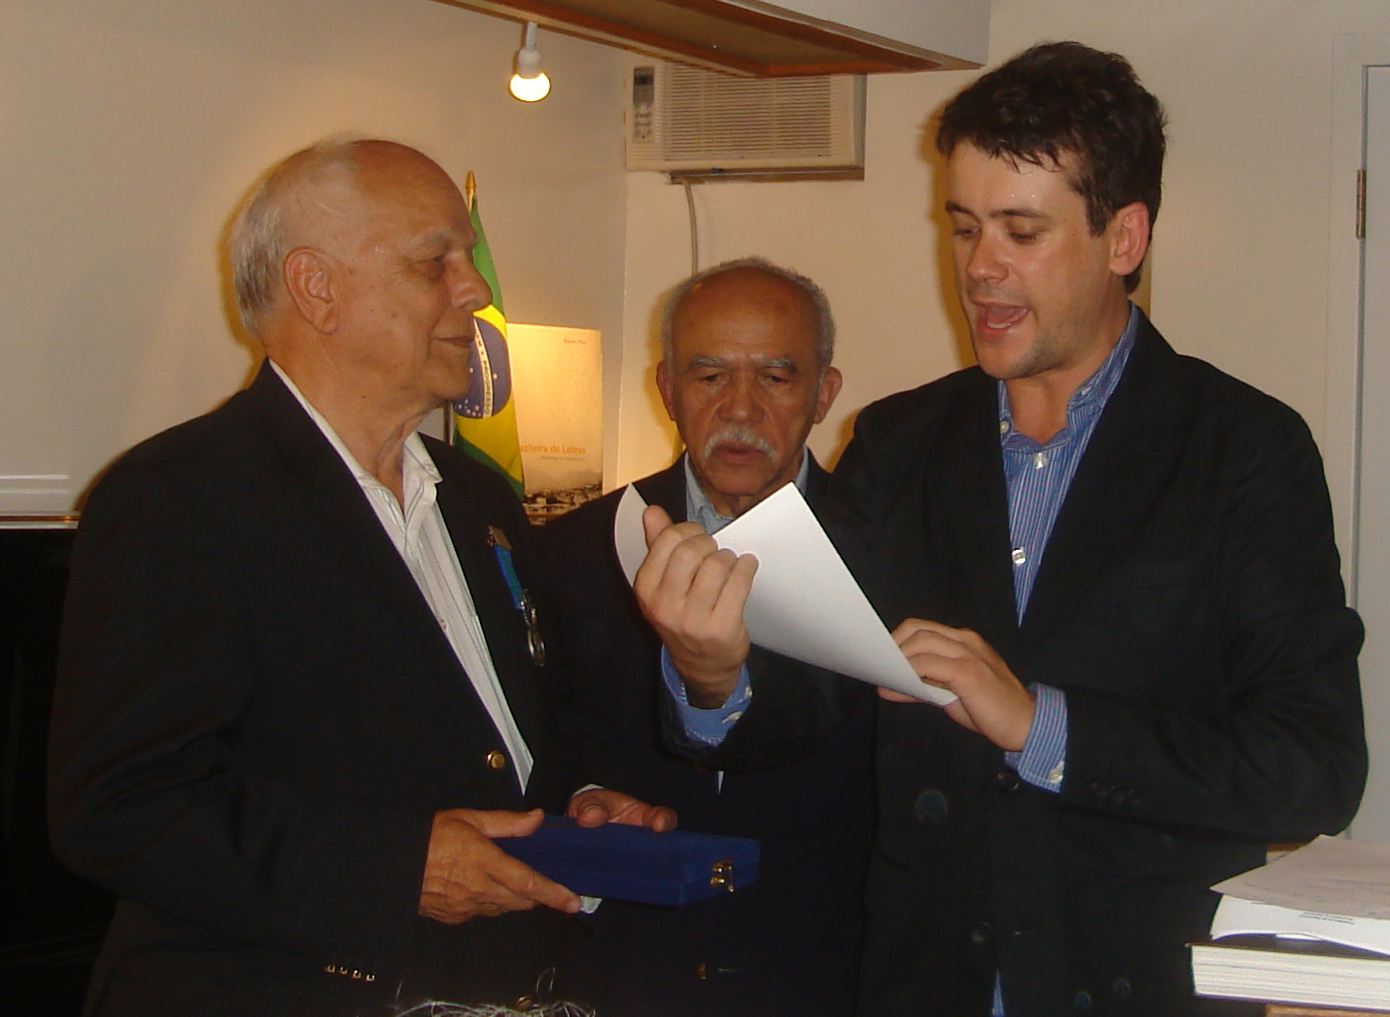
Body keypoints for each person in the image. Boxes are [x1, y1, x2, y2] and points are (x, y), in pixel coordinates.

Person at [634, 42, 1367, 1017]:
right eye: (965, 228)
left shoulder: (1242, 452)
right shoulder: (896, 441)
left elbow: (1310, 773)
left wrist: (1037, 723)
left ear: (1124, 238)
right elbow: (811, 696)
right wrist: (713, 671)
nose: (980, 269)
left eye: (1021, 232)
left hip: (1143, 991)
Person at [47, 137, 671, 1017]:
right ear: (316, 288)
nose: (477, 290)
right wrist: (397, 869)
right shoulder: (180, 498)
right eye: (435, 263)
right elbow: (120, 806)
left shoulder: (477, 495)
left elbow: (506, 733)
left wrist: (580, 798)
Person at [535, 258, 874, 1017]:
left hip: (830, 978)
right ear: (664, 388)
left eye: (777, 378)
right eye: (709, 375)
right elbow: (542, 743)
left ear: (825, 392)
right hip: (626, 977)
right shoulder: (570, 554)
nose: (741, 408)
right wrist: (583, 794)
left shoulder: (897, 557)